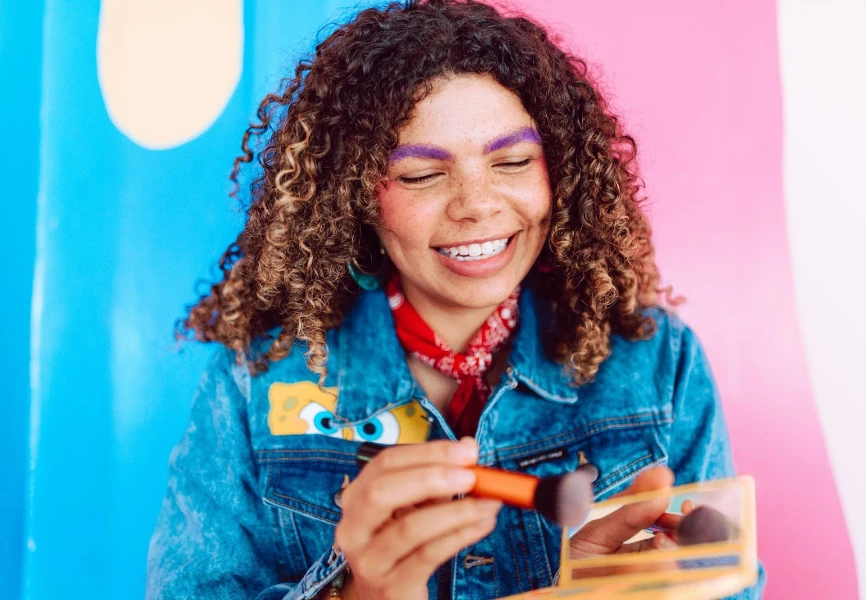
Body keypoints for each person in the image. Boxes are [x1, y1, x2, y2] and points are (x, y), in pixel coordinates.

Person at [146, 1, 765, 598]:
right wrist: (358, 597)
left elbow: (728, 582)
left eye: (514, 161)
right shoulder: (255, 380)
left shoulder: (657, 363)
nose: (478, 204)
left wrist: (598, 595)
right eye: (422, 175)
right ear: (355, 196)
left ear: (562, 174)